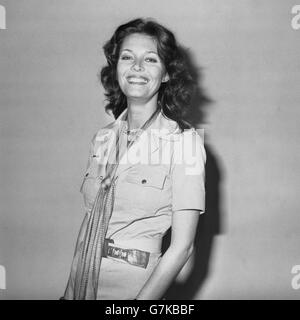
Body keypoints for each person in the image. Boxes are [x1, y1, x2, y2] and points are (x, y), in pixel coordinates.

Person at [62, 18, 206, 300]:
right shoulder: (103, 138)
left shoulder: (185, 143)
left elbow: (183, 248)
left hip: (137, 288)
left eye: (150, 59)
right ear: (116, 69)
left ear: (166, 74)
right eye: (127, 57)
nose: (137, 67)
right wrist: (68, 293)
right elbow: (90, 222)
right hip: (84, 283)